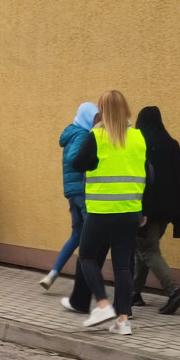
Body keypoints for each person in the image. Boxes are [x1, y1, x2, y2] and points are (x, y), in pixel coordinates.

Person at [62, 90, 147, 336]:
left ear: (102, 110)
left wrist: (93, 163)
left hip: (101, 210)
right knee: (122, 266)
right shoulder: (138, 137)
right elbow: (148, 174)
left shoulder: (96, 136)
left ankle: (101, 304)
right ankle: (123, 320)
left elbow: (78, 164)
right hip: (130, 210)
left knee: (87, 256)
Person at [133, 106, 180, 314]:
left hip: (148, 207)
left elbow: (144, 179)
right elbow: (178, 181)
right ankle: (134, 293)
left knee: (147, 249)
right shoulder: (173, 145)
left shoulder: (143, 144)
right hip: (168, 209)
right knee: (143, 249)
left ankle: (174, 292)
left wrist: (141, 208)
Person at [41, 103, 98, 289]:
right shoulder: (83, 134)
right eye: (96, 118)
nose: (98, 121)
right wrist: (94, 163)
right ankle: (86, 284)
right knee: (91, 237)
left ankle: (53, 273)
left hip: (72, 192)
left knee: (77, 235)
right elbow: (74, 159)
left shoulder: (72, 133)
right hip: (82, 192)